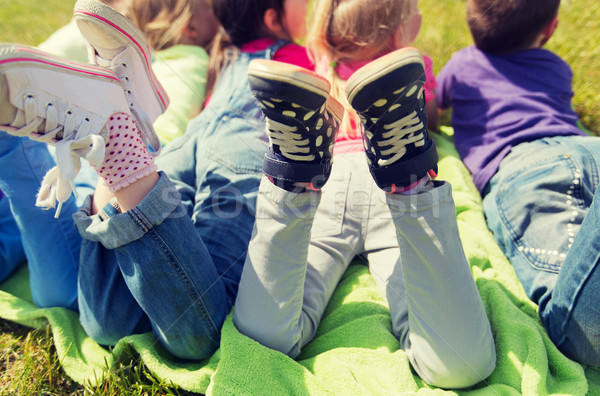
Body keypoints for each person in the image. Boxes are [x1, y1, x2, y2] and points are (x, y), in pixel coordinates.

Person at [0, 0, 312, 360]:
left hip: (182, 147)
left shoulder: (222, 54)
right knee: (201, 334)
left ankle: (115, 135)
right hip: (242, 141)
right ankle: (118, 138)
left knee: (109, 326)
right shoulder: (295, 55)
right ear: (272, 17)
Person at [233, 0, 496, 388]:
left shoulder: (319, 70)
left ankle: (292, 181)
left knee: (266, 337)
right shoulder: (414, 68)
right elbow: (436, 117)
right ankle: (412, 182)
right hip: (387, 181)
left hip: (328, 177)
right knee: (460, 366)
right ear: (399, 32)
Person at [436, 0, 600, 366]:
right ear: (551, 28)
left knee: (579, 327)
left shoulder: (461, 65)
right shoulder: (557, 66)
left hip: (526, 169)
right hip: (588, 148)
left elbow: (433, 112)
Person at [126, 0, 220, 144]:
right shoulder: (199, 59)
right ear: (190, 28)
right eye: (208, 6)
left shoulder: (154, 66)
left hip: (137, 143)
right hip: (164, 147)